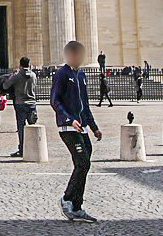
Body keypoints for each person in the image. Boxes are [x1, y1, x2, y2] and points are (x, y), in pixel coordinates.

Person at [52, 40, 101, 223]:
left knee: (84, 164)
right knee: (82, 163)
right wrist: (68, 119)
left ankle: (76, 206)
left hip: (82, 127)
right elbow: (55, 101)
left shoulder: (81, 76)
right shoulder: (61, 74)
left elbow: (84, 104)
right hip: (68, 127)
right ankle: (67, 199)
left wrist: (94, 127)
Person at [0, 57, 39, 158]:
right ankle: (35, 148)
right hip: (31, 103)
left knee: (21, 128)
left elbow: (5, 86)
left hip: (20, 103)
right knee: (32, 126)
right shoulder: (33, 75)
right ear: (29, 64)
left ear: (20, 65)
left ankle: (22, 149)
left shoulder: (17, 76)